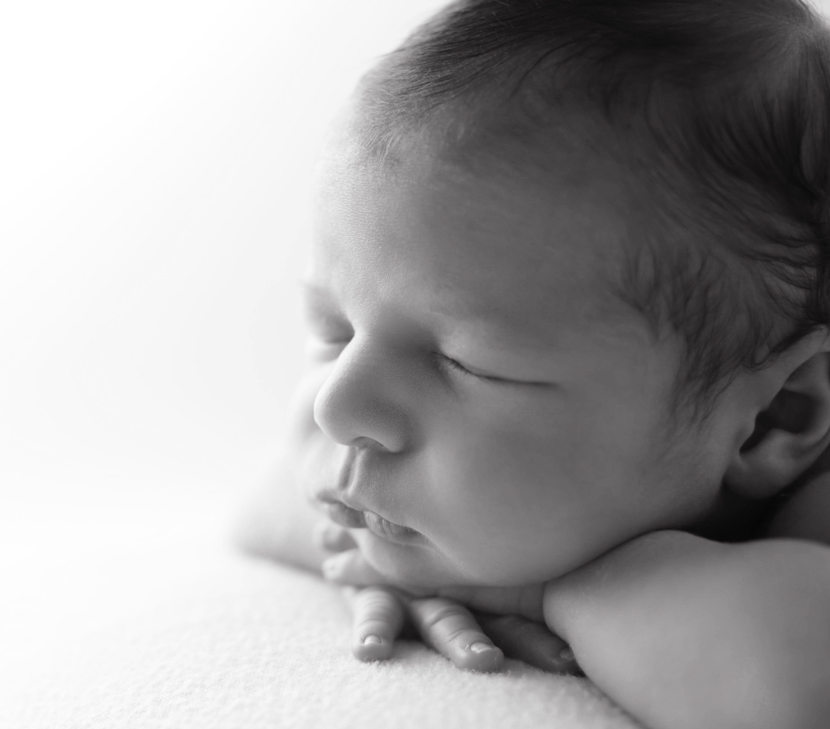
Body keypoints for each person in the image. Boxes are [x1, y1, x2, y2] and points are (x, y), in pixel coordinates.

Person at [233, 1, 830, 727]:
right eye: (333, 327)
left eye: (465, 361)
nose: (338, 405)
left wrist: (543, 592)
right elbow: (260, 498)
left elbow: (794, 684)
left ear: (774, 418)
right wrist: (376, 559)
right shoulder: (353, 422)